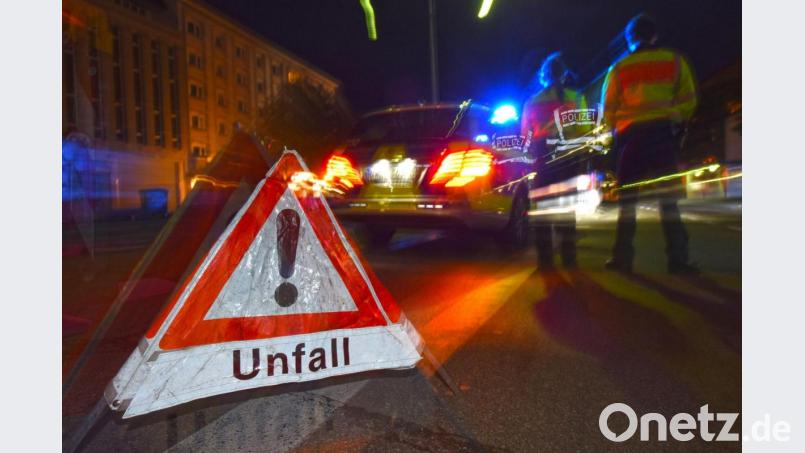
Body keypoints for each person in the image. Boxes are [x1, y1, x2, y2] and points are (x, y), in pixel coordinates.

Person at [601, 13, 699, 274]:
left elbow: (608, 110)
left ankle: (622, 259)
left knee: (627, 202)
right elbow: (689, 100)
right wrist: (676, 120)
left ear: (629, 39)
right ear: (654, 35)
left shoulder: (619, 68)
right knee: (669, 202)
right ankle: (678, 261)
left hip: (632, 140)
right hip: (663, 137)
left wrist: (619, 128)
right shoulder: (674, 61)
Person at [521, 52, 589, 269]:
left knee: (543, 209)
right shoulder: (576, 98)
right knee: (567, 209)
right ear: (564, 74)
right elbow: (585, 130)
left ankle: (545, 261)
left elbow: (526, 136)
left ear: (543, 76)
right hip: (568, 158)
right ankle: (569, 258)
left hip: (543, 158)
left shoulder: (532, 102)